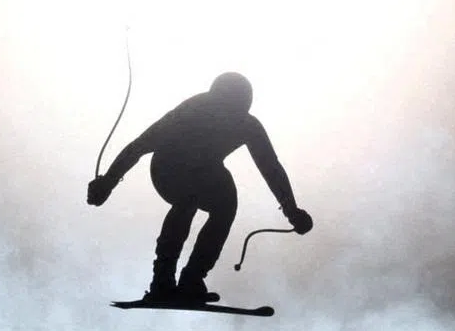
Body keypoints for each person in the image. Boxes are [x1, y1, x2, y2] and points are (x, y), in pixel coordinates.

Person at [87, 71, 312, 303]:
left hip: (207, 172)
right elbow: (140, 146)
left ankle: (192, 278)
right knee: (188, 200)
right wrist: (108, 183)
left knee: (226, 203)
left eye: (234, 111)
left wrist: (291, 209)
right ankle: (163, 279)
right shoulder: (191, 111)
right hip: (168, 168)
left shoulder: (247, 125)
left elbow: (271, 168)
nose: (227, 117)